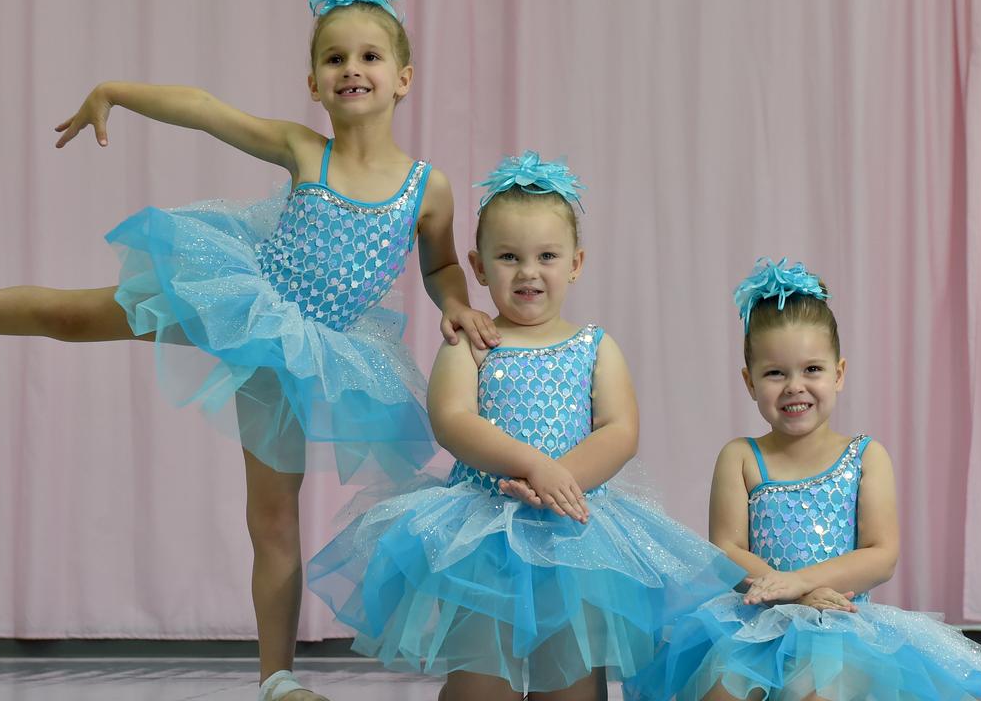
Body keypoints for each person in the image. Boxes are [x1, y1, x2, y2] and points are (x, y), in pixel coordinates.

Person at [0, 0, 498, 699]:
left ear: (403, 78)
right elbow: (206, 111)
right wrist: (117, 89)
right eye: (335, 57)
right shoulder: (306, 150)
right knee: (74, 317)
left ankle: (277, 680)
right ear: (314, 83)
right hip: (241, 300)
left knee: (273, 518)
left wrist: (455, 304)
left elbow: (442, 262)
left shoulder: (430, 188)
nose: (351, 68)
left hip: (309, 355)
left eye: (368, 55)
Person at [307, 152, 744, 701]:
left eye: (547, 256)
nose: (529, 272)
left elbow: (619, 429)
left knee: (574, 683)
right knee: (480, 683)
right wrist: (533, 465)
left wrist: (558, 479)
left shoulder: (595, 346)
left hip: (577, 533)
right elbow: (453, 420)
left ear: (576, 262)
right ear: (480, 266)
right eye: (509, 257)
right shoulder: (472, 342)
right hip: (484, 530)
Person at [626, 258, 981, 701]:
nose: (794, 386)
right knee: (723, 692)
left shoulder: (865, 457)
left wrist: (804, 583)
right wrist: (787, 594)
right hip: (756, 622)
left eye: (812, 370)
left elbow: (882, 554)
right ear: (750, 382)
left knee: (815, 690)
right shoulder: (742, 457)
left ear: (838, 373)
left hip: (841, 624)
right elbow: (726, 550)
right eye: (775, 373)